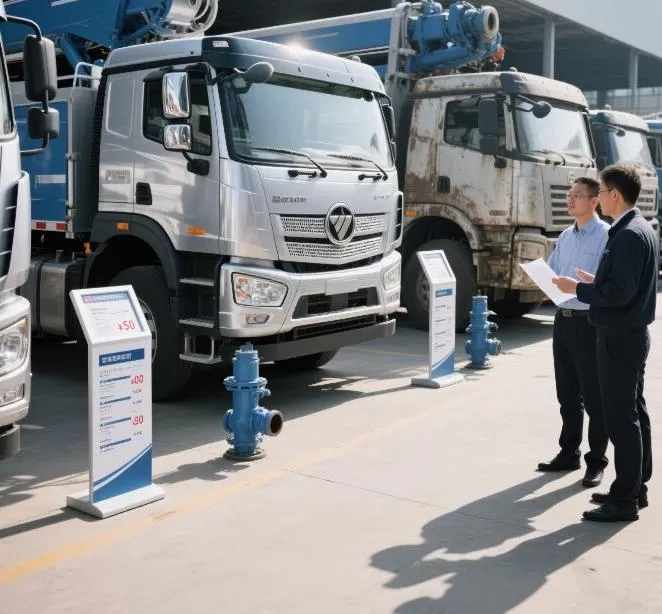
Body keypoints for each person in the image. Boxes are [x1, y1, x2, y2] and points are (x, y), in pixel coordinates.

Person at [553, 164, 658, 523]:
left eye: (600, 191)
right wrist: (595, 282)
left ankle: (624, 499)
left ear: (613, 195)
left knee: (621, 418)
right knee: (634, 413)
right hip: (629, 334)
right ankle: (634, 488)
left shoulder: (627, 234)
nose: (599, 198)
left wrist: (580, 289)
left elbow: (619, 293)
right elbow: (620, 285)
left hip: (619, 337)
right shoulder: (639, 228)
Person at [537, 177, 609, 488]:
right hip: (563, 321)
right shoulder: (565, 236)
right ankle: (569, 452)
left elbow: (606, 283)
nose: (570, 199)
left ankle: (597, 462)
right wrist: (541, 279)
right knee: (567, 393)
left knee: (594, 396)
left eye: (577, 195)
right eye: (569, 194)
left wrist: (579, 286)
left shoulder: (607, 236)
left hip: (589, 323)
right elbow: (553, 273)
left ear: (594, 201)